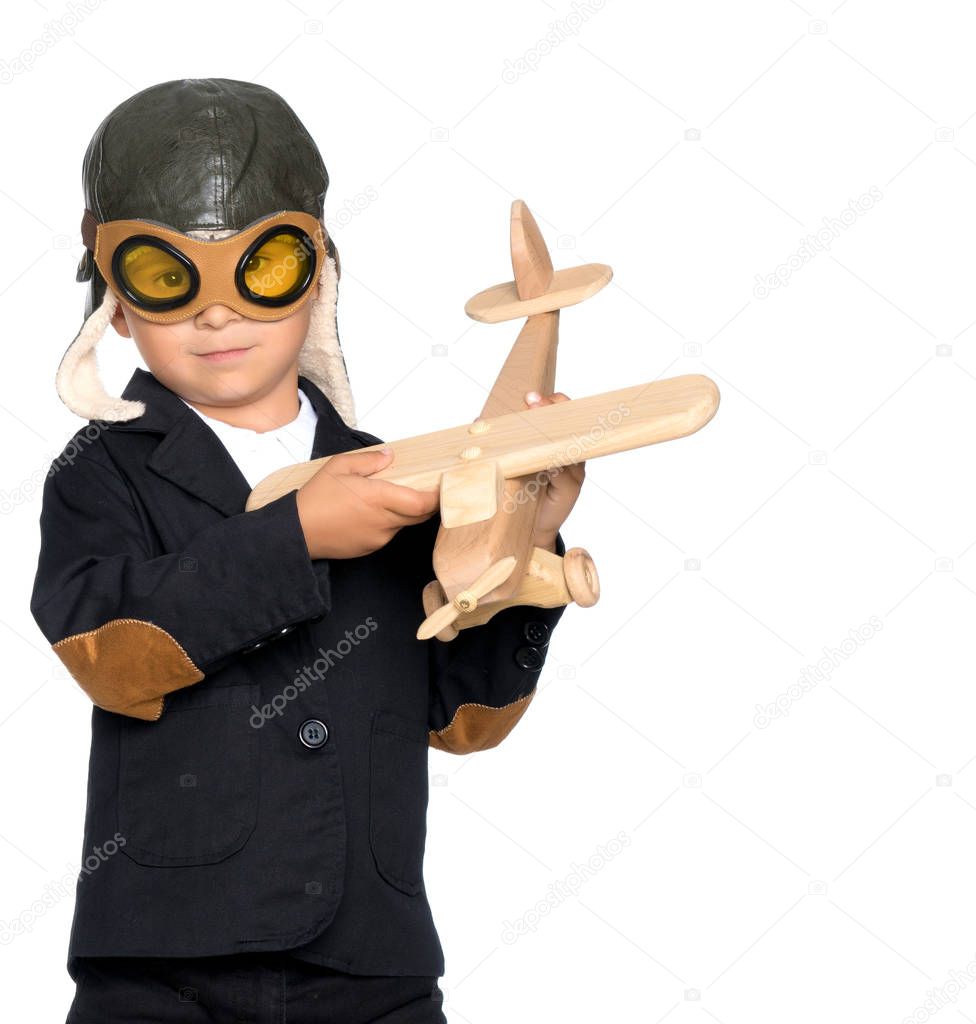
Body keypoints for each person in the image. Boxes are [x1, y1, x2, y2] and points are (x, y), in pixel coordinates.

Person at [29, 77, 584, 1024]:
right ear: (116, 303)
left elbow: (463, 715)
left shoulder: (391, 475)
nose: (217, 314)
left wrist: (524, 544)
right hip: (164, 961)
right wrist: (294, 537)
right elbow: (110, 654)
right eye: (169, 277)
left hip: (373, 961)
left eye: (263, 266)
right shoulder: (100, 469)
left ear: (316, 274)